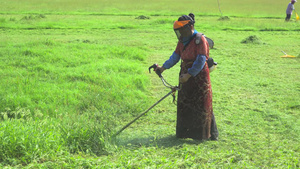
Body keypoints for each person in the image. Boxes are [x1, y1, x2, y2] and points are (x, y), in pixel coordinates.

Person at [156, 13, 219, 140]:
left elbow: (201, 61)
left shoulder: (200, 40)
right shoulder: (182, 41)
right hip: (185, 76)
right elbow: (175, 57)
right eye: (179, 31)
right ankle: (185, 134)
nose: (181, 34)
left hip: (199, 77)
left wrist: (189, 75)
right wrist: (163, 68)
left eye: (182, 30)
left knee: (202, 105)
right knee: (185, 103)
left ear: (189, 27)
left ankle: (204, 135)